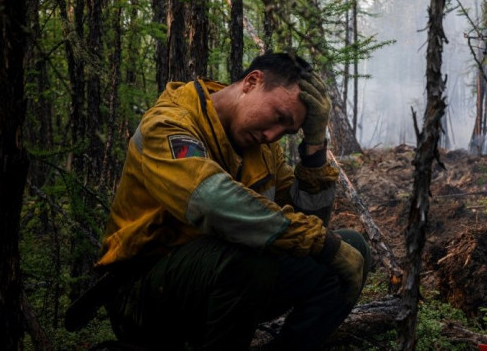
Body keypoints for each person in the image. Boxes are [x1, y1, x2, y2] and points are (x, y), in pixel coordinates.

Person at [94, 52, 371, 350]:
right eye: (278, 117)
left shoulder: (262, 149)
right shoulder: (169, 122)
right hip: (142, 294)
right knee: (251, 256)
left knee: (352, 248)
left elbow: (309, 226)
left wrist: (315, 145)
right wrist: (322, 243)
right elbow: (210, 202)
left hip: (224, 283)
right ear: (252, 82)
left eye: (286, 131)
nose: (272, 135)